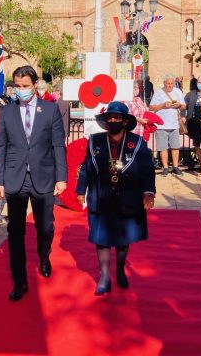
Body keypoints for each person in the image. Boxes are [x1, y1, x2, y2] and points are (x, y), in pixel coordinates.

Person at [0, 65, 67, 302]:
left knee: (45, 227)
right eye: (17, 86)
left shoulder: (50, 110)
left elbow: (58, 145)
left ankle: (44, 255)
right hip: (15, 179)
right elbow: (0, 147)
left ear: (35, 85)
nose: (21, 90)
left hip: (43, 176)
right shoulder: (6, 112)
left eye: (25, 86)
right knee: (15, 231)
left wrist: (61, 177)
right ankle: (20, 281)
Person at [76, 102, 156, 295]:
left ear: (125, 121)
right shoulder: (95, 141)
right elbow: (86, 168)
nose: (113, 121)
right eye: (110, 118)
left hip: (128, 197)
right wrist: (81, 190)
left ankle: (120, 270)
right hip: (101, 196)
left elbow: (147, 169)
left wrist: (148, 192)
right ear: (105, 121)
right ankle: (104, 277)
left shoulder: (137, 143)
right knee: (101, 239)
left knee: (122, 239)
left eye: (117, 118)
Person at [149, 74, 186, 176]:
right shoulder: (158, 93)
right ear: (164, 83)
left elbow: (183, 106)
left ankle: (175, 167)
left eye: (172, 83)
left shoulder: (178, 91)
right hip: (161, 125)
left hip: (174, 124)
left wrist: (179, 105)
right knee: (163, 147)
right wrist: (163, 105)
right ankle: (165, 167)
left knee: (175, 147)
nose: (170, 85)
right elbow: (151, 107)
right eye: (168, 83)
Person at [184, 75, 201, 162]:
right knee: (197, 144)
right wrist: (183, 117)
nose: (200, 84)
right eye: (199, 82)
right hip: (194, 123)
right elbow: (183, 106)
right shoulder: (190, 94)